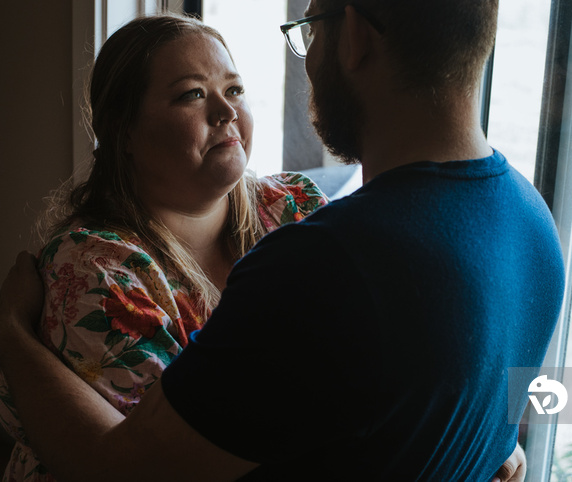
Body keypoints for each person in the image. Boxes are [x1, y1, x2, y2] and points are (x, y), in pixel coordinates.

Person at [0, 0, 565, 481]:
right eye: (191, 94)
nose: (225, 110)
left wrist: (10, 332)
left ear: (357, 39)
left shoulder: (321, 262)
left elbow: (120, 468)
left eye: (312, 29)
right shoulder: (531, 220)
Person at [0, 14, 328, 482]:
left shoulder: (298, 207)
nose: (226, 111)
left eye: (233, 89)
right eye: (192, 94)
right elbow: (155, 467)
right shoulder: (94, 271)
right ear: (124, 132)